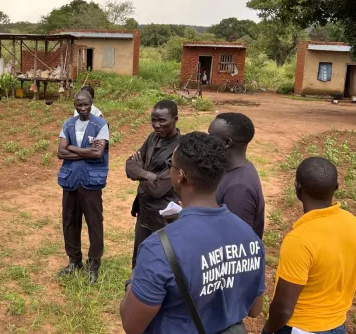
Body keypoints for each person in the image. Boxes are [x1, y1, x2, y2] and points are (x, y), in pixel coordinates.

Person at [121, 132, 265, 334]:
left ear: (179, 176)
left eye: (170, 164)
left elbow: (132, 325)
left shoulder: (159, 248)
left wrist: (133, 279)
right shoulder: (250, 237)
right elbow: (254, 309)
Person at [262, 157, 356, 334]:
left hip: (300, 328)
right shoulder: (355, 225)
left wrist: (269, 329)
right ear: (336, 187)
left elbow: (284, 308)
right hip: (337, 325)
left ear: (297, 187)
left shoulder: (299, 240)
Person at [57, 89, 109, 284]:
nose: (83, 108)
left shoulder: (100, 124)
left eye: (86, 104)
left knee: (94, 223)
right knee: (69, 221)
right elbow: (60, 153)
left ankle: (94, 264)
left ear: (92, 102)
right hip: (70, 181)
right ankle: (74, 260)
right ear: (74, 105)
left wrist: (71, 148)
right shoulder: (68, 124)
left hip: (91, 182)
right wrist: (86, 151)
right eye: (79, 105)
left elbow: (98, 154)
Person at [125, 100, 180, 268]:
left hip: (164, 217)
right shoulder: (152, 138)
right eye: (153, 120)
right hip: (144, 212)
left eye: (162, 121)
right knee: (139, 259)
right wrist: (146, 174)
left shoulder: (179, 148)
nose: (156, 125)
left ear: (175, 119)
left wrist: (139, 170)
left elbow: (158, 189)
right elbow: (129, 165)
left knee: (163, 262)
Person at [208, 113, 265, 238]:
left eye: (211, 136)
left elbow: (235, 241)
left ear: (227, 142)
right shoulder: (230, 170)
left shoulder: (239, 187)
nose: (206, 140)